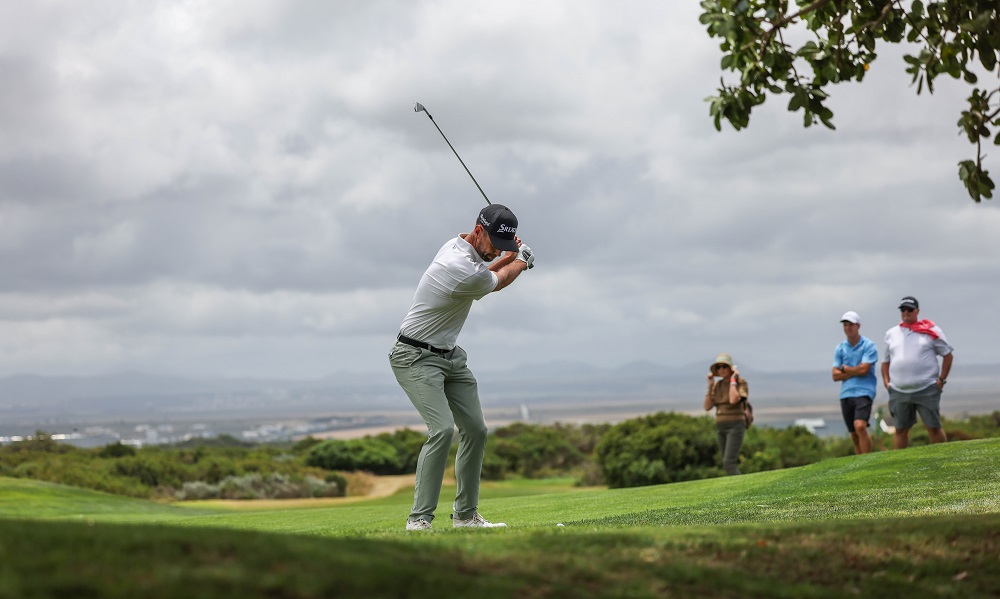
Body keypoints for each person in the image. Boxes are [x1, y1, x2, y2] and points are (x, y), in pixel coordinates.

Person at [389, 204, 534, 531]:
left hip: (450, 357)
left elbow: (491, 266)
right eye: (494, 242)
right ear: (478, 231)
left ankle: (466, 517)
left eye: (503, 244)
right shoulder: (456, 266)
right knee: (441, 430)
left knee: (476, 430)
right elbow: (496, 280)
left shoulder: (459, 245)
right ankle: (419, 520)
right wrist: (522, 259)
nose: (496, 250)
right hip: (414, 356)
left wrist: (513, 253)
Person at [881, 296, 954, 449]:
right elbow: (885, 361)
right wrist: (887, 382)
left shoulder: (931, 331)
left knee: (933, 426)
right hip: (899, 390)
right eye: (903, 310)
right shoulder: (891, 334)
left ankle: (941, 460)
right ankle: (898, 466)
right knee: (900, 429)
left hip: (926, 388)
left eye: (910, 309)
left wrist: (941, 380)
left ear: (917, 311)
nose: (906, 312)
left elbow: (947, 355)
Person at [831, 311, 878, 454]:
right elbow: (835, 375)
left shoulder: (868, 345)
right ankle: (859, 463)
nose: (847, 328)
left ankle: (867, 459)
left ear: (858, 326)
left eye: (851, 325)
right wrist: (853, 370)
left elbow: (864, 370)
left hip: (864, 391)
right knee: (853, 432)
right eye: (845, 325)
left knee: (860, 426)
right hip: (846, 393)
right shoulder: (840, 348)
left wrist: (845, 369)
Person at [703, 353, 749, 475]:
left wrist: (733, 380)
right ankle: (738, 487)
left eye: (724, 366)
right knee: (726, 462)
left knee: (729, 462)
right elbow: (707, 407)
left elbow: (733, 400)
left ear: (731, 368)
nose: (721, 369)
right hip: (720, 426)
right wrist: (710, 386)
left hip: (735, 425)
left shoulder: (741, 382)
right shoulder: (717, 385)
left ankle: (742, 490)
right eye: (719, 367)